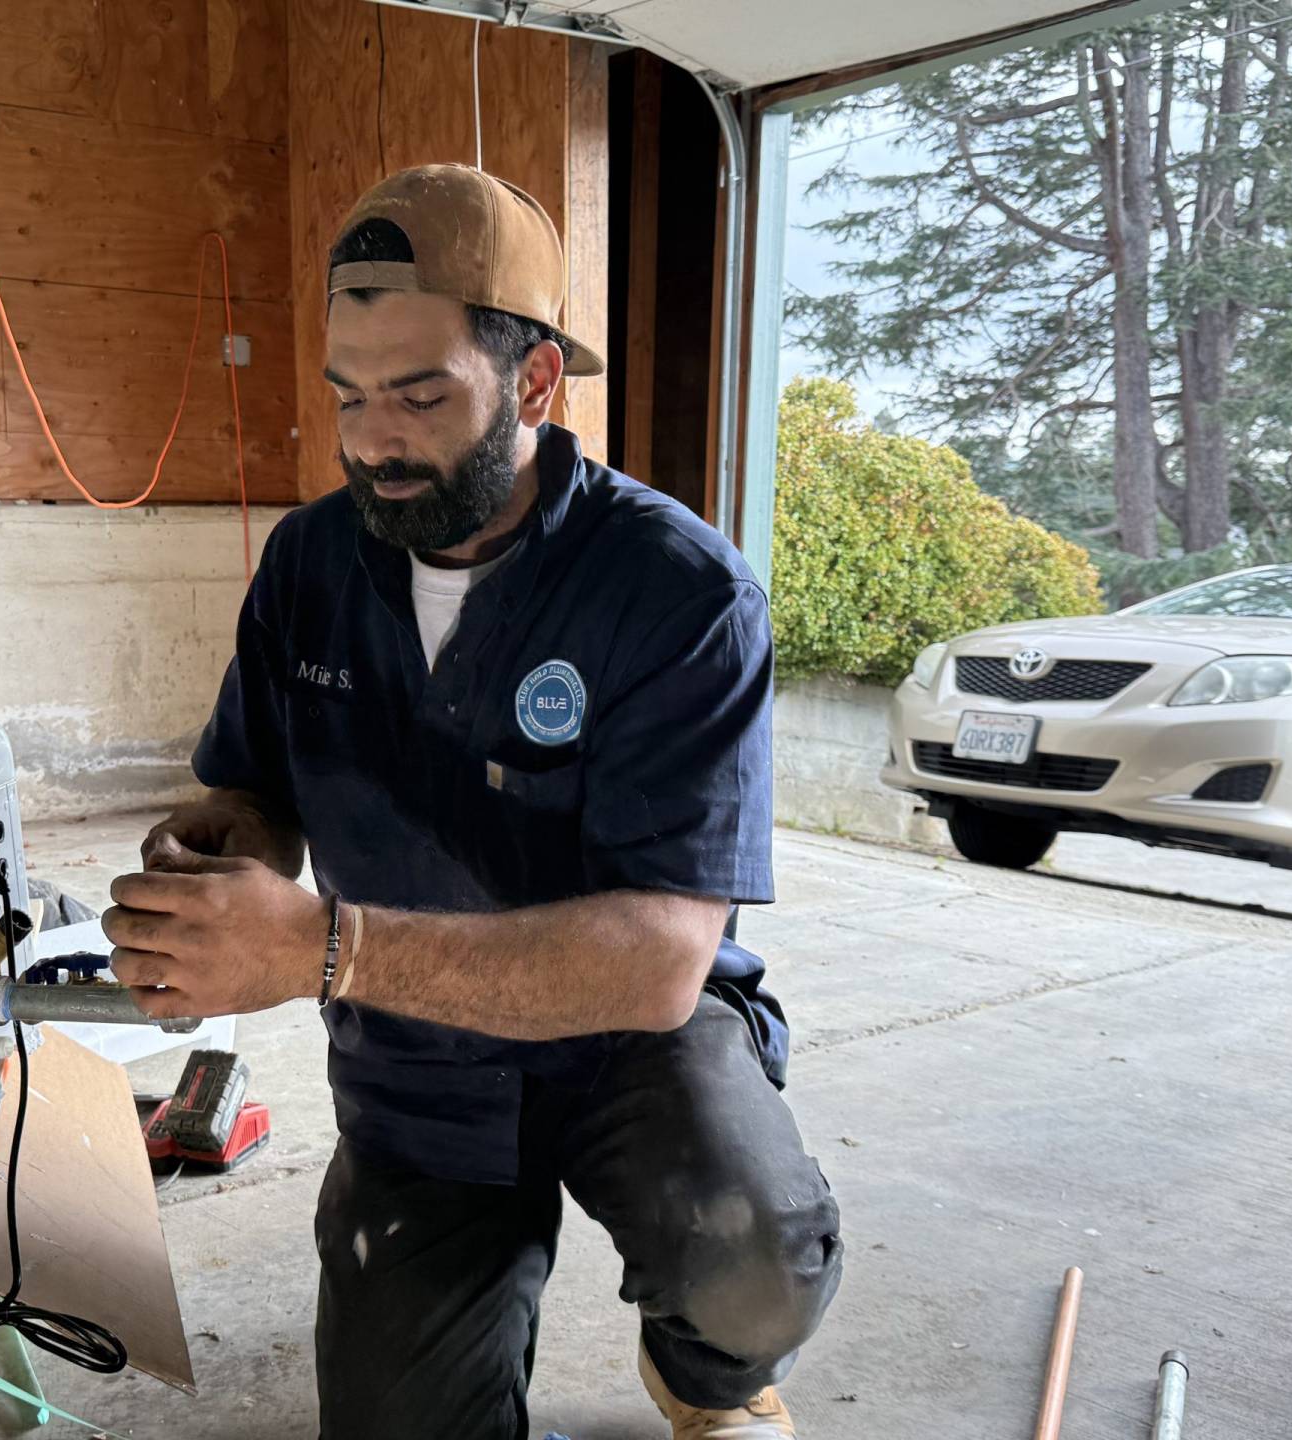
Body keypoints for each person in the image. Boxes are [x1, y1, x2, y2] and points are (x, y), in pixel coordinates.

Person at [102, 163, 842, 1440]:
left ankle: (710, 1380)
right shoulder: (309, 563)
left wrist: (319, 946)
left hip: (633, 1047)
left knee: (754, 1256)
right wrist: (233, 846)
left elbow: (663, 960)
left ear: (535, 382)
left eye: (420, 394)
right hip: (418, 1061)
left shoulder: (679, 593)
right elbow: (258, 783)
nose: (372, 439)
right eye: (348, 395)